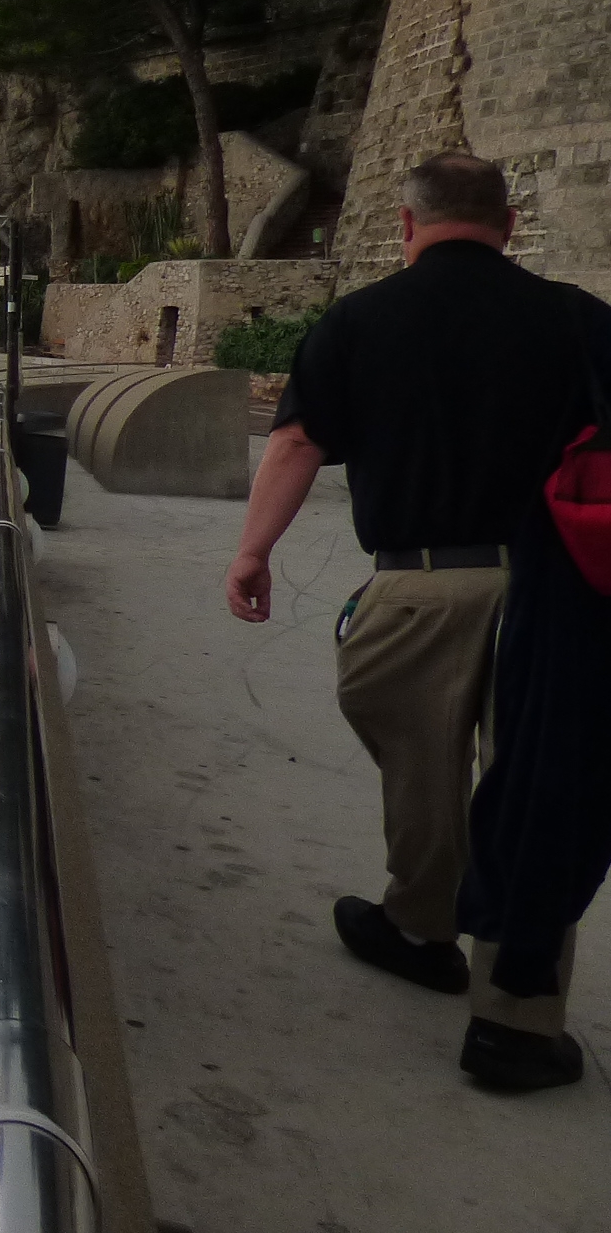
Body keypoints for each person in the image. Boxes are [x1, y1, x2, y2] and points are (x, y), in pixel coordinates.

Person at [225, 151, 611, 1090]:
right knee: (538, 792)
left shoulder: (359, 321)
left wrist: (252, 552)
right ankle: (515, 1023)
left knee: (421, 768)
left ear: (405, 225)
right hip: (556, 593)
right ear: (508, 225)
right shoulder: (579, 319)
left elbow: (298, 441)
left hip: (418, 584)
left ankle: (419, 926)